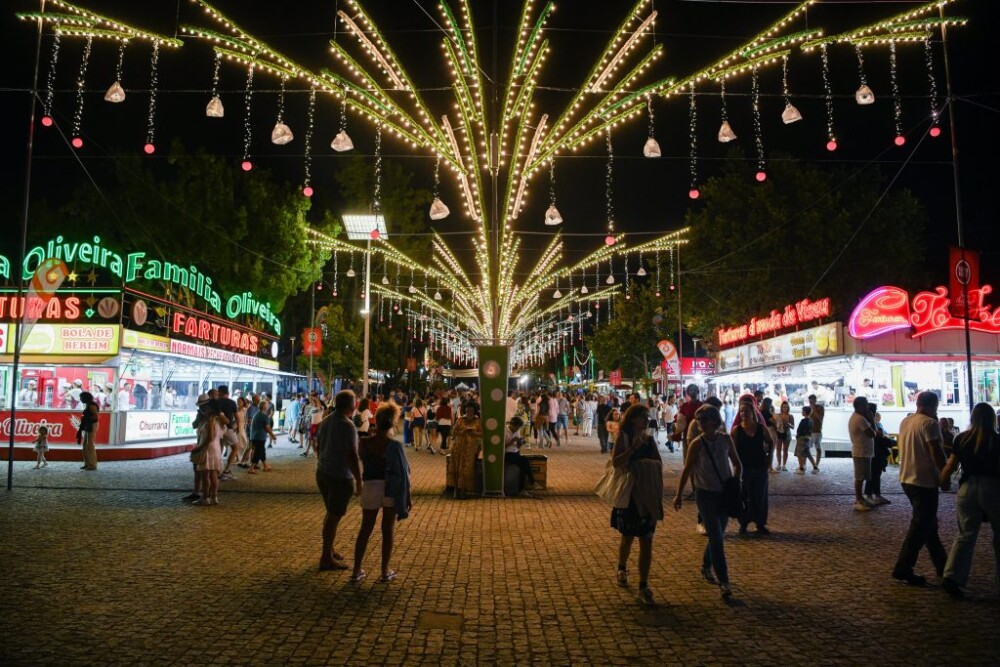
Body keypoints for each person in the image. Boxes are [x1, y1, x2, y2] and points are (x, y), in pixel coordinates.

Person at [674, 405, 741, 599]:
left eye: (703, 419)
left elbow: (738, 464)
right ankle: (724, 582)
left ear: (713, 421)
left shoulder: (726, 440)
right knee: (717, 538)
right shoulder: (697, 443)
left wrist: (735, 485)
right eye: (698, 420)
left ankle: (705, 566)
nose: (699, 423)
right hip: (705, 496)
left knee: (716, 535)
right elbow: (687, 470)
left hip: (723, 495)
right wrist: (679, 494)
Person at [939, 402, 1000, 599]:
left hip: (967, 488)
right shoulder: (996, 440)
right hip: (993, 488)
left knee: (965, 535)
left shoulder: (961, 439)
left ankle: (951, 577)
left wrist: (944, 481)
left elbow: (950, 465)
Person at [892, 391, 948, 586]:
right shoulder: (929, 424)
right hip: (924, 481)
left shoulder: (906, 422)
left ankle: (944, 566)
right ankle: (903, 567)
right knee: (920, 526)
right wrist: (945, 475)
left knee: (928, 525)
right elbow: (936, 452)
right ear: (933, 405)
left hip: (907, 478)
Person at [352, 404, 411, 583]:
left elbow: (363, 460)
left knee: (365, 529)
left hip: (370, 485)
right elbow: (403, 473)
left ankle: (356, 570)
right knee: (388, 530)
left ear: (376, 420)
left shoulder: (365, 443)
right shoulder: (394, 445)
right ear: (393, 422)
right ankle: (384, 571)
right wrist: (407, 496)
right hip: (390, 488)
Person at [610, 404, 663, 606]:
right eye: (643, 417)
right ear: (633, 419)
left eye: (647, 417)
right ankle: (622, 567)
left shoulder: (649, 440)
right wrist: (633, 449)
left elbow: (658, 463)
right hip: (630, 495)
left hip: (646, 494)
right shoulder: (623, 437)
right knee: (628, 537)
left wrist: (644, 466)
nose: (645, 421)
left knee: (647, 539)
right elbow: (616, 462)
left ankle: (643, 584)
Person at [316, 390, 363, 572]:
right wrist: (359, 480)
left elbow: (318, 445)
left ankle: (329, 549)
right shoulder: (347, 425)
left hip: (323, 471)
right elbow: (351, 454)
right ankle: (326, 557)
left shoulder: (326, 420)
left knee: (330, 514)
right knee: (334, 517)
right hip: (339, 475)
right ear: (352, 406)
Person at [733, 398, 772, 534]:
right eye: (741, 411)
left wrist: (769, 458)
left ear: (752, 412)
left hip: (759, 466)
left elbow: (770, 442)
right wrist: (735, 465)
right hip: (744, 468)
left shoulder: (761, 428)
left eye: (746, 411)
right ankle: (743, 523)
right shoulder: (736, 430)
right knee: (743, 496)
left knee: (760, 496)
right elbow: (732, 449)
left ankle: (760, 523)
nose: (743, 413)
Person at [848, 397, 876, 512]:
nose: (867, 407)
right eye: (866, 404)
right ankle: (858, 500)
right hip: (861, 452)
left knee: (863, 476)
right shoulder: (860, 419)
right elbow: (872, 433)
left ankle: (860, 498)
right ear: (859, 406)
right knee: (860, 477)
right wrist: (872, 419)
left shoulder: (858, 417)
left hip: (863, 451)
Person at [449, 402, 482, 498]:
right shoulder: (460, 420)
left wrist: (474, 433)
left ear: (474, 411)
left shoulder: (477, 421)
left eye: (471, 410)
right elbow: (453, 432)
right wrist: (462, 431)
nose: (469, 412)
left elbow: (482, 434)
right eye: (467, 410)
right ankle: (456, 490)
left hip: (470, 449)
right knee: (457, 468)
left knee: (466, 470)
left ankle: (463, 490)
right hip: (458, 447)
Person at [865, 404, 892, 506]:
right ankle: (870, 495)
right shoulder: (868, 422)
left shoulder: (872, 422)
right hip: (873, 451)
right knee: (873, 474)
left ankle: (876, 494)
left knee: (875, 474)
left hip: (875, 451)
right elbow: (875, 434)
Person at [505, 417, 537, 495]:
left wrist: (520, 443)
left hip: (515, 452)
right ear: (513, 425)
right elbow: (502, 446)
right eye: (517, 427)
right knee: (525, 461)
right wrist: (512, 441)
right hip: (508, 454)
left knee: (523, 466)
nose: (517, 429)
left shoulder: (517, 432)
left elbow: (517, 447)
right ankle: (532, 482)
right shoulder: (505, 432)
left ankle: (522, 488)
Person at [248, 399, 276, 473]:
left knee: (261, 451)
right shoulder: (265, 416)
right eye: (267, 406)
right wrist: (273, 435)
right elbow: (267, 428)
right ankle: (251, 468)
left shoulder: (256, 414)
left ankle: (265, 466)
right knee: (258, 452)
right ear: (264, 407)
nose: (268, 407)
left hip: (254, 436)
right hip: (260, 437)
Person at [75, 391, 99, 471]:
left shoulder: (92, 406)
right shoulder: (89, 405)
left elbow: (95, 417)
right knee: (85, 445)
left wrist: (85, 418)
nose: (80, 399)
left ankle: (92, 464)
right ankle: (87, 463)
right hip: (89, 425)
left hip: (91, 425)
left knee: (89, 445)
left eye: (81, 398)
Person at [794, 406, 819, 474]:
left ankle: (801, 468)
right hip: (808, 438)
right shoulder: (811, 421)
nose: (802, 412)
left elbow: (799, 430)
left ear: (804, 412)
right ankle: (815, 467)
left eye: (802, 411)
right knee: (808, 454)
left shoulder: (803, 420)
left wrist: (797, 436)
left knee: (799, 454)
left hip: (801, 438)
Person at [773, 401, 793, 472]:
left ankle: (784, 465)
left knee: (785, 450)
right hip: (779, 433)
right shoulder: (778, 415)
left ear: (788, 408)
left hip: (787, 433)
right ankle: (779, 464)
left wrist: (788, 425)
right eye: (784, 407)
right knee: (778, 449)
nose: (785, 408)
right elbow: (774, 425)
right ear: (781, 408)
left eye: (787, 407)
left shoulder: (790, 416)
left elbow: (793, 426)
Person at [807, 394, 825, 471]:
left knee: (817, 448)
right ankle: (813, 464)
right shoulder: (808, 408)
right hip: (809, 431)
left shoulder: (820, 408)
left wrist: (814, 409)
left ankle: (816, 465)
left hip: (817, 431)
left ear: (815, 400)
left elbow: (820, 419)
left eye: (812, 401)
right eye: (810, 401)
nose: (811, 402)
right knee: (805, 449)